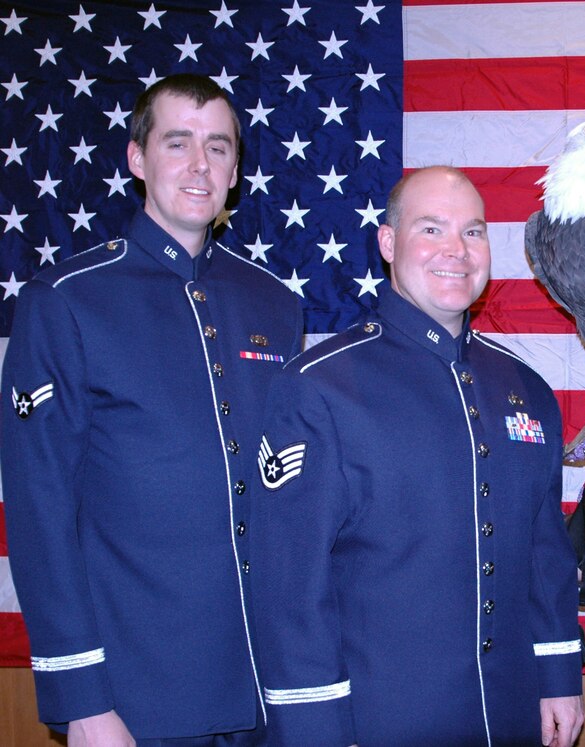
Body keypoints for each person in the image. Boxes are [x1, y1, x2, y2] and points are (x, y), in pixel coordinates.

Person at [0, 74, 303, 745]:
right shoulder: (66, 300)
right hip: (137, 701)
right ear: (138, 159)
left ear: (235, 170)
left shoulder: (274, 304)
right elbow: (39, 510)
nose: (200, 165)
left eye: (219, 147)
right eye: (178, 143)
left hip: (269, 691)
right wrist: (82, 701)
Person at [249, 166, 584, 746]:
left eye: (473, 232)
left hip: (511, 712)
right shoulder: (321, 387)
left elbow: (545, 552)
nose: (456, 250)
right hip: (380, 718)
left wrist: (558, 674)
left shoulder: (524, 388)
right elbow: (288, 591)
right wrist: (315, 732)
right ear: (387, 243)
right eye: (431, 229)